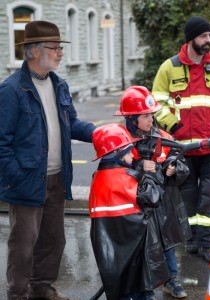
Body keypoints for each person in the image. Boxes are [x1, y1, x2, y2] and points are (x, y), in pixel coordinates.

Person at [0, 20, 96, 300]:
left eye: (59, 47)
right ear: (33, 51)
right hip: (27, 178)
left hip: (56, 176)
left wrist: (100, 132)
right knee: (24, 243)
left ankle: (41, 288)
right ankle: (17, 294)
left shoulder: (59, 85)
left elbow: (72, 123)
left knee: (54, 240)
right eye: (54, 48)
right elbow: (1, 141)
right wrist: (16, 175)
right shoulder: (11, 90)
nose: (60, 53)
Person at [152, 16, 210, 263]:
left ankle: (208, 245)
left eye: (209, 36)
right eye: (203, 36)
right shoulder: (169, 68)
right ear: (191, 39)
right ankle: (191, 240)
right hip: (183, 148)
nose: (208, 40)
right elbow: (156, 102)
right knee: (187, 198)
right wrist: (175, 126)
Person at [115, 86, 191, 299]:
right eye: (145, 116)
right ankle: (140, 285)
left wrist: (173, 167)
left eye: (151, 115)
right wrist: (139, 166)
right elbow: (115, 170)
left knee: (166, 242)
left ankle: (172, 280)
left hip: (161, 203)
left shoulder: (163, 137)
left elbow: (178, 158)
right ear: (132, 119)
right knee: (141, 247)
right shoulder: (122, 141)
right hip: (137, 205)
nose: (150, 120)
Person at [89, 123, 170, 300]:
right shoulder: (127, 177)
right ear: (117, 153)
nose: (131, 155)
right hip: (132, 248)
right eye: (127, 151)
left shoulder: (97, 178)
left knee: (119, 288)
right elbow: (153, 197)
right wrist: (144, 175)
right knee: (135, 288)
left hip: (108, 249)